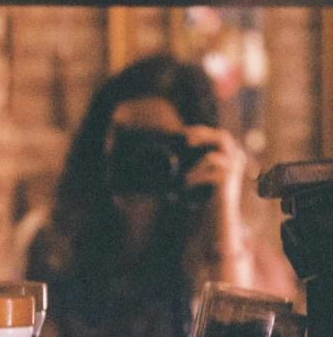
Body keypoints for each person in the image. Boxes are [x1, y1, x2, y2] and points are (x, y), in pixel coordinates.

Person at [26, 54, 299, 337]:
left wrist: (223, 211)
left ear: (194, 153)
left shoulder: (227, 248)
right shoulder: (52, 244)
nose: (141, 159)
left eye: (158, 146)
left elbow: (238, 329)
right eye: (129, 141)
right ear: (99, 143)